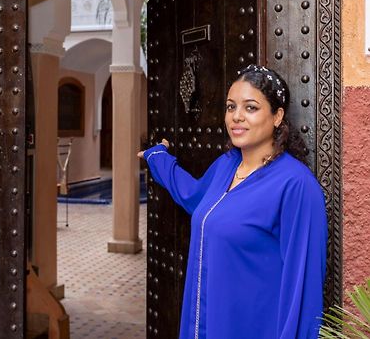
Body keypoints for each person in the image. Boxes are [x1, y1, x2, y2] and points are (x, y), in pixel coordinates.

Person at [138, 65, 328, 339]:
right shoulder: (226, 166)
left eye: (250, 108)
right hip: (205, 325)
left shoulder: (295, 185)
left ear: (277, 116)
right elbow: (194, 196)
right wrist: (158, 158)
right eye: (230, 107)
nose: (236, 117)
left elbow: (304, 288)